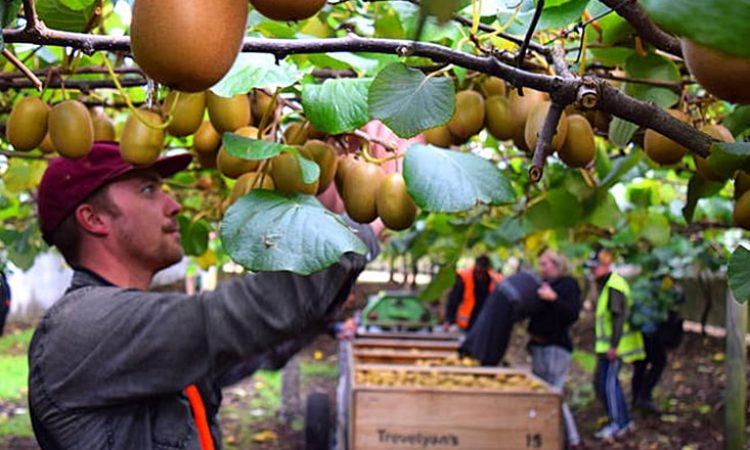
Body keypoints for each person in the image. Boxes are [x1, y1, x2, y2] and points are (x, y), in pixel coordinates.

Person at [28, 142, 378, 450]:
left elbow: (253, 345)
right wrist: (354, 232)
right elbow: (239, 316)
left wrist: (336, 270)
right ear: (93, 219)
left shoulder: (136, 332)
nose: (174, 204)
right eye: (149, 190)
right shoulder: (82, 327)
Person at [586, 248, 645, 441]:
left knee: (609, 385)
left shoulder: (614, 285)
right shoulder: (606, 285)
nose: (592, 272)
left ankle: (617, 424)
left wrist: (614, 345)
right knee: (606, 384)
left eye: (595, 268)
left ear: (606, 265)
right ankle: (624, 421)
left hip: (614, 348)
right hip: (608, 347)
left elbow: (618, 317)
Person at [527, 250, 582, 449]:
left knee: (553, 394)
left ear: (557, 265)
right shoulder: (543, 285)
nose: (542, 268)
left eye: (545, 264)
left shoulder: (568, 285)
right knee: (542, 393)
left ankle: (572, 440)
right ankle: (548, 436)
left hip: (555, 347)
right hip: (539, 345)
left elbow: (572, 314)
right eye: (540, 264)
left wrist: (553, 299)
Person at [459, 269, 541, 366]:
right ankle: (477, 356)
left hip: (495, 309)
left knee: (490, 332)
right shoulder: (466, 277)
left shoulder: (497, 280)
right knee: (486, 331)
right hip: (478, 315)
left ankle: (482, 358)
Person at [630, 278, 684, 413]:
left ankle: (637, 398)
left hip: (638, 332)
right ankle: (643, 396)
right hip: (651, 331)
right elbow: (679, 298)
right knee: (659, 362)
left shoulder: (639, 284)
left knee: (640, 365)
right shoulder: (664, 284)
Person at [443, 255, 502, 331]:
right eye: (478, 272)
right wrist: (449, 319)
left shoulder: (495, 280)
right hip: (467, 321)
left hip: (486, 321)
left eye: (483, 273)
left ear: (488, 269)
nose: (480, 276)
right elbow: (454, 300)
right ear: (475, 267)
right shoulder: (464, 278)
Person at [0, 269, 10, 336]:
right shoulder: (5, 284)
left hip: (3, 305)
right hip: (4, 306)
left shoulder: (5, 284)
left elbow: (8, 296)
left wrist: (7, 303)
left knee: (2, 319)